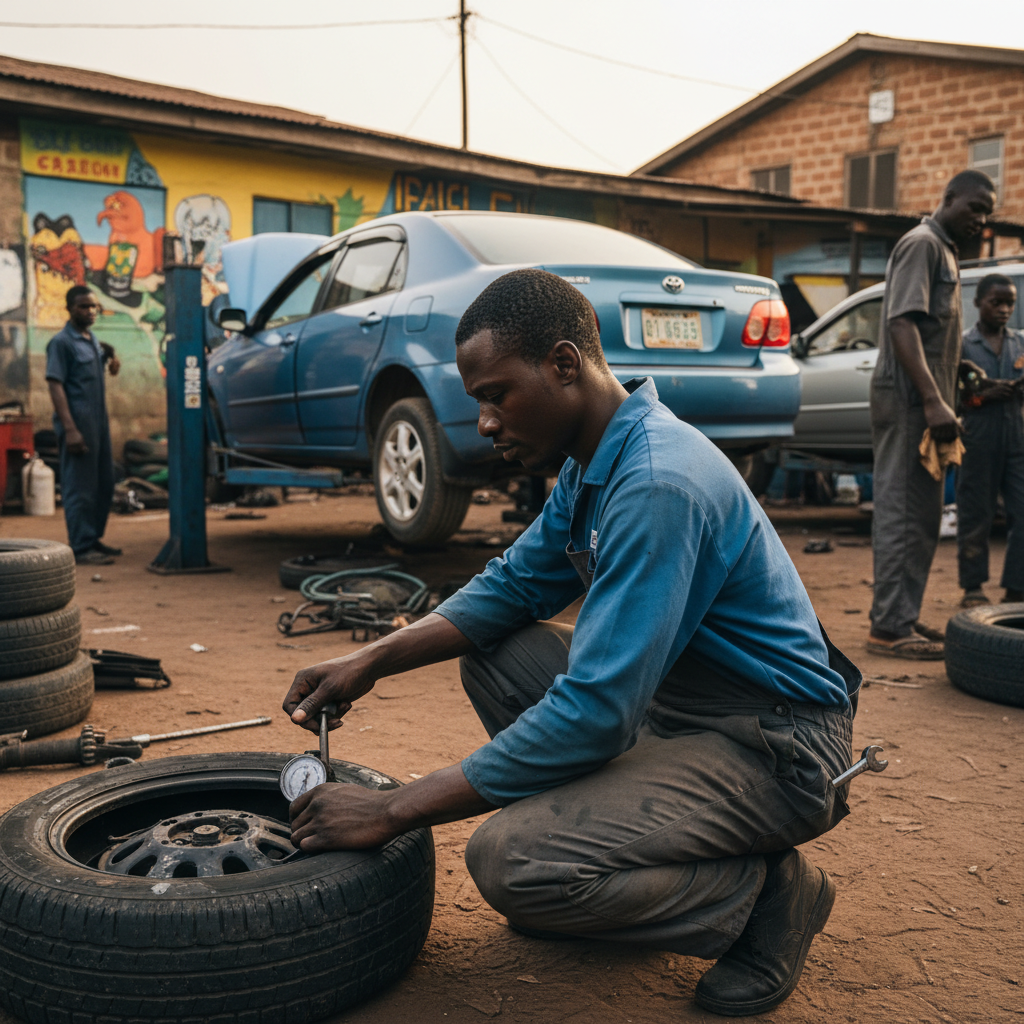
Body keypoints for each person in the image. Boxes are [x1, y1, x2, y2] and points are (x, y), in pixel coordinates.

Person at [282, 269, 862, 1017]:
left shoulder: (657, 482)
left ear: (563, 364)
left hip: (777, 748)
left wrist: (390, 811)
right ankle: (604, 850)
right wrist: (372, 657)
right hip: (683, 711)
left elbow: (595, 712)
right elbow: (513, 585)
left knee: (511, 861)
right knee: (497, 650)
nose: (485, 422)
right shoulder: (596, 462)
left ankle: (765, 898)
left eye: (496, 395)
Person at [868, 170, 997, 659]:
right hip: (908, 402)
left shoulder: (946, 250)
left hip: (926, 400)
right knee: (903, 513)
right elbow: (901, 324)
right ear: (948, 199)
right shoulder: (922, 244)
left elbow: (929, 330)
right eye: (974, 208)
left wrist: (957, 368)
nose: (980, 220)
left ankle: (899, 616)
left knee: (922, 515)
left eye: (987, 213)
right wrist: (932, 398)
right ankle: (887, 629)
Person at [957, 273, 1024, 607]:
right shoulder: (964, 346)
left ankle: (1017, 586)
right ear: (978, 303)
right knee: (975, 513)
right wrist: (984, 395)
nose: (1004, 310)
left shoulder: (1020, 343)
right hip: (978, 440)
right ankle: (973, 587)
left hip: (1018, 441)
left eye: (1010, 303)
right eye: (996, 302)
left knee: (1022, 512)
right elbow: (954, 398)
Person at [45, 285, 122, 566]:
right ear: (69, 309)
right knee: (80, 487)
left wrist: (112, 360)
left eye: (93, 307)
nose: (90, 311)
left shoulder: (91, 339)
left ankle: (92, 539)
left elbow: (99, 363)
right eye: (83, 307)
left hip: (98, 423)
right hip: (77, 423)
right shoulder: (61, 343)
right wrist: (70, 429)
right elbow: (55, 384)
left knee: (104, 483)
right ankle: (80, 545)